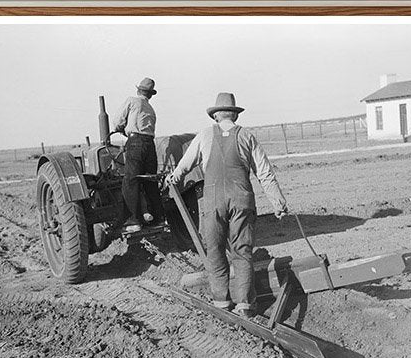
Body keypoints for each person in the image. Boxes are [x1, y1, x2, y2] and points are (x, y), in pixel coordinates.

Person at [168, 92, 288, 316]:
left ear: (216, 116)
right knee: (242, 251)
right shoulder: (247, 136)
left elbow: (184, 166)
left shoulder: (204, 135)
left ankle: (222, 301)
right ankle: (244, 304)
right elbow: (264, 173)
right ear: (234, 115)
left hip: (213, 201)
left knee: (214, 250)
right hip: (242, 198)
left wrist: (173, 177)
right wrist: (278, 203)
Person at [111, 77, 162, 232]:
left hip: (136, 143)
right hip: (150, 145)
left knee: (130, 181)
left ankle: (133, 221)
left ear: (138, 90)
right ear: (150, 95)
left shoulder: (132, 101)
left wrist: (121, 128)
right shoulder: (150, 109)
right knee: (150, 180)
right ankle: (158, 218)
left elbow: (117, 121)